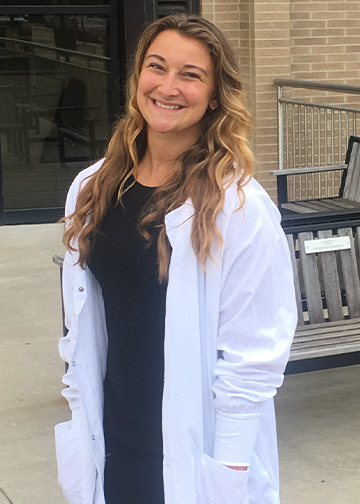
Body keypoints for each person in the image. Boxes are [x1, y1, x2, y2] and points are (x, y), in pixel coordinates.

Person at [55, 13, 297, 504]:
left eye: (191, 74)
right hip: (114, 433)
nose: (168, 87)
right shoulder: (92, 187)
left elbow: (252, 360)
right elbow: (83, 323)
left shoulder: (239, 207)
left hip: (195, 448)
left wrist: (226, 474)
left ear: (214, 95)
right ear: (137, 78)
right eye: (157, 66)